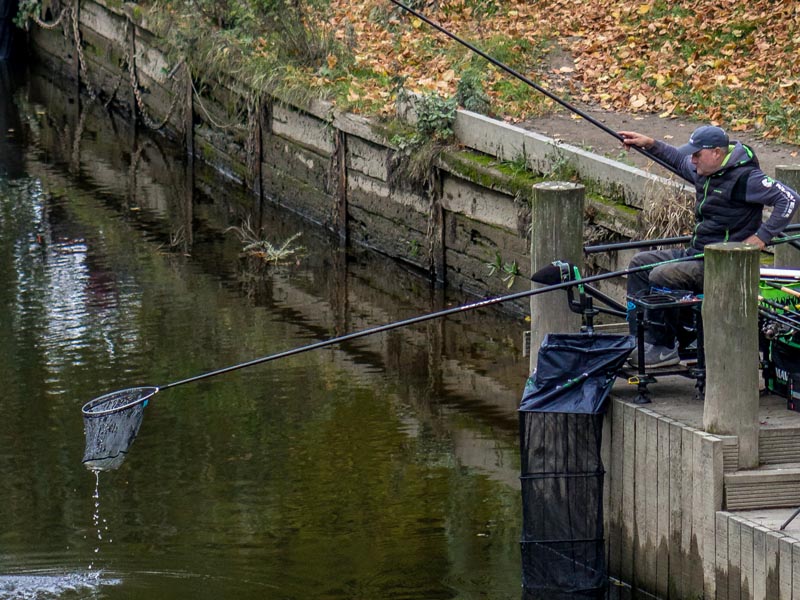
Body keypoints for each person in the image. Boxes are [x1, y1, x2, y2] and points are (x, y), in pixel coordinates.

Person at [618, 125, 800, 367]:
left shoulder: (747, 178)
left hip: (723, 264)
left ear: (716, 152)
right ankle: (642, 341)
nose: (692, 160)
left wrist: (761, 238)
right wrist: (650, 143)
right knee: (639, 264)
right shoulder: (704, 169)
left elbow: (789, 198)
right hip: (697, 253)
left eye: (697, 154)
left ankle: (665, 347)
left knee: (662, 275)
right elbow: (676, 160)